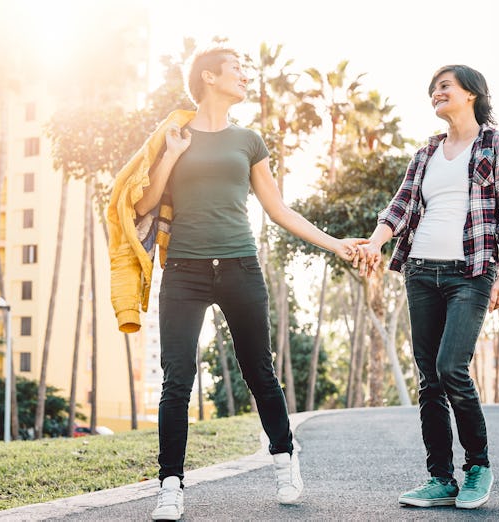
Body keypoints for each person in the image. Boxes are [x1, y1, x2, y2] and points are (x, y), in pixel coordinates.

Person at [116, 45, 361, 521]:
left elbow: (278, 209)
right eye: (236, 70)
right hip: (184, 271)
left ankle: (285, 460)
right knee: (177, 380)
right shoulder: (174, 134)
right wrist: (171, 155)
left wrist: (333, 243)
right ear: (209, 77)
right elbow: (143, 205)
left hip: (239, 267)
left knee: (259, 371)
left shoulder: (248, 139)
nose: (244, 77)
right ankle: (170, 485)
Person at [357, 64, 499, 510]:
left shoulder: (498, 143)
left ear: (471, 92)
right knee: (429, 378)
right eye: (432, 89)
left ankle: (478, 466)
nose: (436, 92)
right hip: (419, 270)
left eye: (444, 86)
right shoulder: (426, 152)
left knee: (452, 367)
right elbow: (401, 205)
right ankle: (440, 478)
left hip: (470, 272)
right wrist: (375, 243)